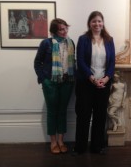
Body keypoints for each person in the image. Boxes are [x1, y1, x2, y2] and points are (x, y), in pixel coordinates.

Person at [74, 11, 115, 155]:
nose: (97, 24)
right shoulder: (83, 39)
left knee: (100, 116)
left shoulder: (109, 40)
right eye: (94, 21)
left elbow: (112, 63)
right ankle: (80, 148)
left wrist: (106, 78)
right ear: (89, 23)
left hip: (103, 84)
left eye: (99, 21)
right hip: (86, 84)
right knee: (83, 115)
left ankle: (97, 146)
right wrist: (92, 78)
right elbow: (80, 61)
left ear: (103, 23)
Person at [34, 18, 75, 154]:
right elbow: (37, 62)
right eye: (61, 29)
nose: (64, 31)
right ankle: (53, 141)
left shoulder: (71, 43)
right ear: (54, 31)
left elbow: (73, 62)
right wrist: (43, 79)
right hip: (50, 82)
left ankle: (61, 141)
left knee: (62, 111)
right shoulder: (46, 43)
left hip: (67, 82)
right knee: (52, 112)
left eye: (66, 28)